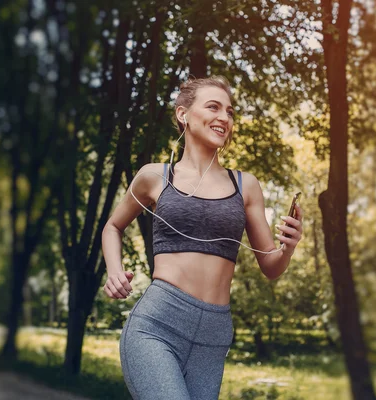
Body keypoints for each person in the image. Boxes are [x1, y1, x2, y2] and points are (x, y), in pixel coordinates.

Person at [101, 76, 303, 400]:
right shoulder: (154, 176)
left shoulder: (245, 186)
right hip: (157, 324)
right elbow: (112, 227)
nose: (224, 117)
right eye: (213, 107)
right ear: (183, 114)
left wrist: (288, 248)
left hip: (214, 334)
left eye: (230, 112)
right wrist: (114, 270)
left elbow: (271, 265)